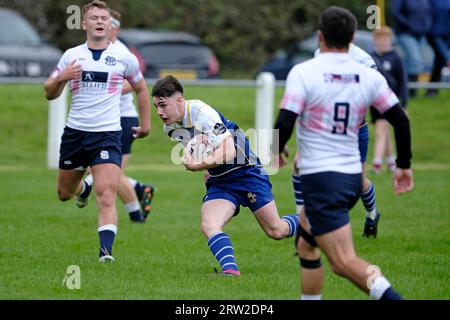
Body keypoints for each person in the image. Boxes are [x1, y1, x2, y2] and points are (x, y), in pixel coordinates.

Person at [273, 6, 413, 299]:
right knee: (306, 246)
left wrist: (277, 149)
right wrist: (403, 164)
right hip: (350, 178)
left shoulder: (304, 72)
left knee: (343, 262)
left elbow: (286, 119)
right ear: (352, 40)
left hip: (324, 180)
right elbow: (400, 118)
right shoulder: (368, 75)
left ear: (319, 36)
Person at [151, 75, 299, 276]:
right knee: (209, 224)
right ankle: (230, 271)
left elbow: (229, 151)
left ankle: (311, 221)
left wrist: (199, 166)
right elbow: (200, 147)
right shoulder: (170, 128)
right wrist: (206, 169)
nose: (159, 112)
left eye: (163, 105)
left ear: (179, 100)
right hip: (220, 181)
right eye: (156, 107)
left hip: (246, 173)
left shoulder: (202, 112)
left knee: (276, 230)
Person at [43, 0, 151, 262]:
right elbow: (49, 92)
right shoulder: (71, 56)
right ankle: (83, 191)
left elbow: (141, 88)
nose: (100, 21)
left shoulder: (124, 57)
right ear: (84, 23)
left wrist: (146, 124)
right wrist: (62, 77)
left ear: (110, 24)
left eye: (104, 18)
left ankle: (106, 253)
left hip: (108, 134)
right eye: (94, 18)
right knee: (64, 194)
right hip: (76, 134)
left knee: (106, 194)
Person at [288, 43, 383, 237]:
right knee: (298, 165)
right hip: (323, 127)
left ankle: (372, 214)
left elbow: (372, 95)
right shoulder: (319, 55)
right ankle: (301, 219)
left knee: (358, 181)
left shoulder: (363, 60)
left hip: (353, 131)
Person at [80, 9, 156, 223]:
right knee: (108, 172)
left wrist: (102, 87)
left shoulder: (120, 52)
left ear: (117, 28)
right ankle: (139, 199)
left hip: (122, 119)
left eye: (111, 22)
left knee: (110, 173)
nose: (106, 25)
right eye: (101, 20)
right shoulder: (94, 50)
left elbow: (133, 85)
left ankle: (135, 211)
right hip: (103, 119)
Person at [370, 26, 408, 174]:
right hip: (375, 101)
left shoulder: (396, 58)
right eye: (379, 40)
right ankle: (391, 161)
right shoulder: (371, 57)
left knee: (381, 130)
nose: (383, 42)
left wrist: (403, 104)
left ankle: (377, 163)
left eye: (385, 39)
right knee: (383, 131)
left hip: (390, 101)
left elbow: (403, 81)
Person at [390, 0, 432, 98]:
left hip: (421, 34)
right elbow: (396, 13)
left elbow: (429, 13)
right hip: (405, 33)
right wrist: (410, 25)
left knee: (415, 63)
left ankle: (410, 91)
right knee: (415, 60)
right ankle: (411, 92)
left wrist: (426, 26)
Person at [426, 0, 450, 97]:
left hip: (447, 35)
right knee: (446, 58)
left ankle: (432, 90)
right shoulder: (430, 1)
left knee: (439, 61)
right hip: (434, 33)